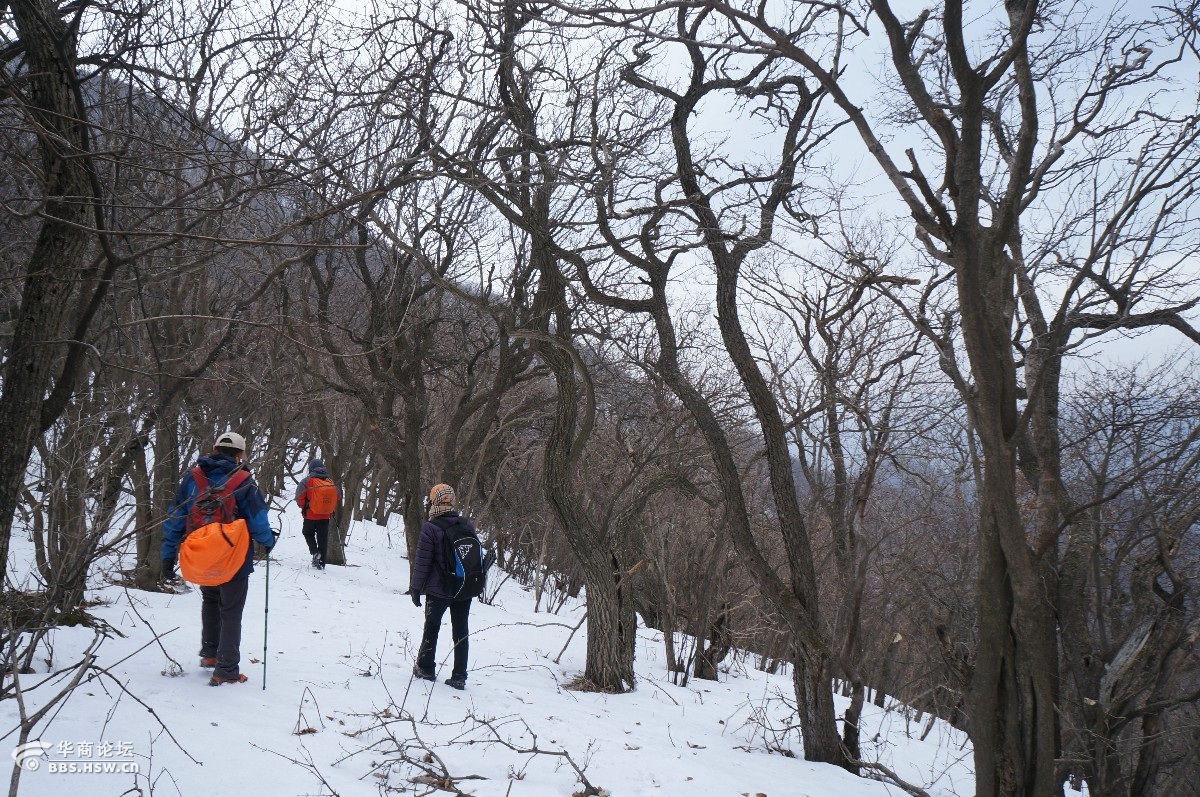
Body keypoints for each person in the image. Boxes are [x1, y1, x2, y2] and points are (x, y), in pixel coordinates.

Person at [162, 430, 276, 686]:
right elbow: (257, 521)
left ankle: (211, 654)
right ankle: (226, 669)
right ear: (240, 455)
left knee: (211, 600)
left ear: (214, 450)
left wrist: (168, 556)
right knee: (231, 610)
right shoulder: (244, 481)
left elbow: (175, 518)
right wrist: (268, 542)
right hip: (233, 557)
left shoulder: (192, 478)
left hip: (202, 555)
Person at [408, 483, 479, 690]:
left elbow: (422, 562)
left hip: (438, 589)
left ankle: (426, 668)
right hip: (463, 588)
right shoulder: (466, 525)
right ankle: (459, 676)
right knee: (461, 630)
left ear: (434, 500)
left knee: (432, 627)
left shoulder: (431, 528)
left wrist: (416, 588)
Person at [295, 457, 340, 570]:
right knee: (322, 539)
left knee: (307, 533)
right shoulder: (329, 481)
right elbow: (338, 496)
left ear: (311, 468)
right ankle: (321, 564)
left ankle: (315, 552)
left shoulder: (306, 481)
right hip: (325, 516)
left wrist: (304, 506)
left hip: (310, 515)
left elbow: (299, 497)